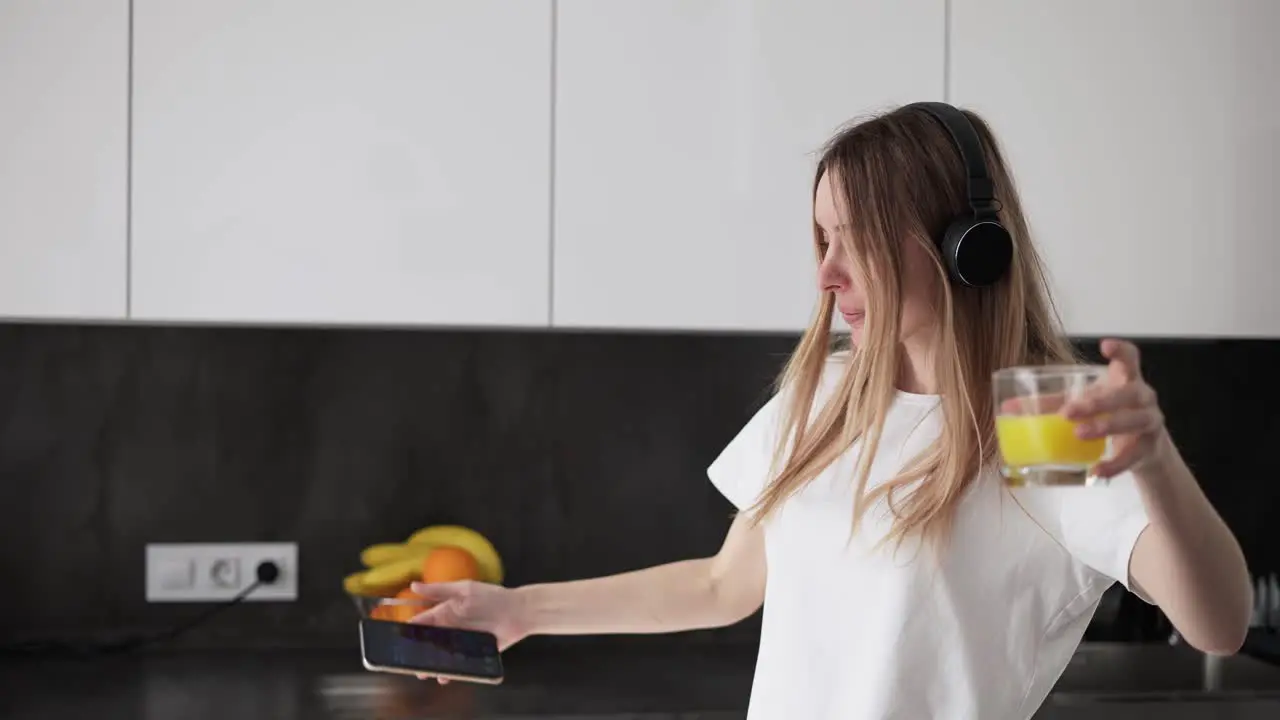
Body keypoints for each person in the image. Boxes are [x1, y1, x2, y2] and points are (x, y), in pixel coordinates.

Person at [405, 102, 1253, 718]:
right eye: (823, 239)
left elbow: (1216, 626)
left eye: (858, 238)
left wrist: (1155, 461)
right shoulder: (827, 393)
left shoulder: (1040, 420)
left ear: (963, 246)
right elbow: (722, 584)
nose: (827, 274)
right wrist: (521, 610)